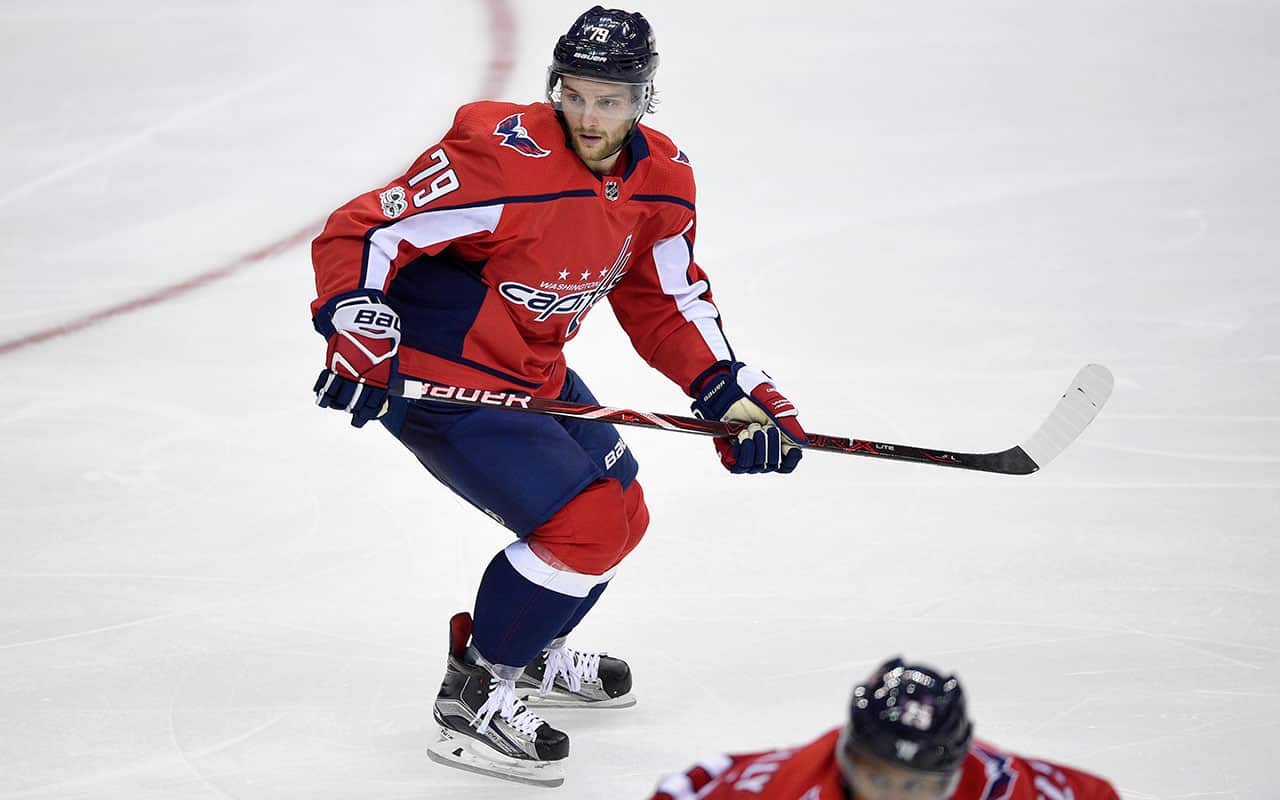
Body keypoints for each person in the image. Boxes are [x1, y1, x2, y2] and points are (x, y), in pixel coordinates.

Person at [308, 5, 809, 787]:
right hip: (446, 375)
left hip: (531, 369)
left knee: (624, 507)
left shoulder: (664, 181)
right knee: (585, 525)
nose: (588, 115)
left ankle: (528, 644)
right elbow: (363, 231)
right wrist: (356, 319)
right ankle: (473, 694)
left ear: (644, 99)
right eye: (574, 95)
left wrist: (725, 388)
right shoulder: (500, 159)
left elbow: (667, 302)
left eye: (609, 100)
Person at [648, 657, 1121, 800]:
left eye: (916, 785)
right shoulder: (783, 789)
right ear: (846, 758)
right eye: (878, 778)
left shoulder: (1009, 788)